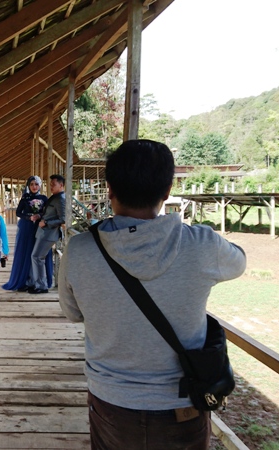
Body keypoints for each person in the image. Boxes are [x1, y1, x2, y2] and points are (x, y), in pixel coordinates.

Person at [57, 139, 246, 449]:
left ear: (109, 189)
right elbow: (239, 262)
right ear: (167, 191)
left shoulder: (80, 250)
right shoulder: (202, 244)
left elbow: (72, 312)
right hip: (183, 405)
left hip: (112, 401)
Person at [2, 175, 54, 292]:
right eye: (31, 184)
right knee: (26, 252)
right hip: (26, 227)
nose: (34, 186)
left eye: (36, 184)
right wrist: (29, 217)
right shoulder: (25, 197)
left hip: (39, 227)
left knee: (38, 253)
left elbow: (48, 213)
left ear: (40, 185)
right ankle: (26, 280)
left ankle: (38, 281)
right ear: (28, 186)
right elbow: (18, 212)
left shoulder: (44, 198)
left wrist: (39, 215)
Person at [28, 174, 65, 294]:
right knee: (36, 256)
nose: (51, 187)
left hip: (49, 233)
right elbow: (48, 213)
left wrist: (47, 222)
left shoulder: (61, 199)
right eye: (50, 184)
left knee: (37, 257)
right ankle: (37, 283)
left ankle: (41, 286)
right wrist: (39, 216)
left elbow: (63, 219)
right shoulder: (54, 197)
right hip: (43, 232)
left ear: (61, 185)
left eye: (53, 184)